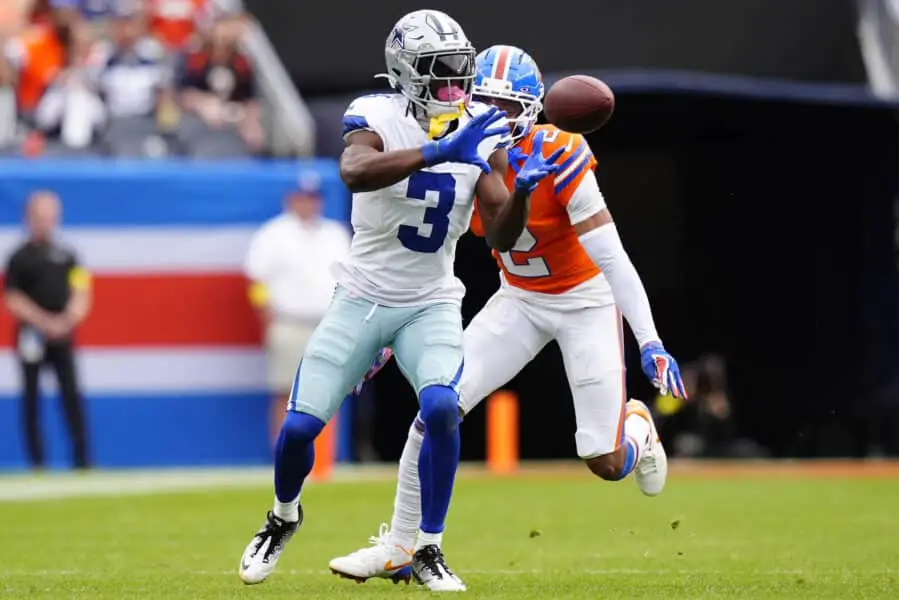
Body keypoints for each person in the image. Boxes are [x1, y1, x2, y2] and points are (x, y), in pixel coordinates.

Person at [328, 45, 688, 587]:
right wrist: (387, 332)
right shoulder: (458, 146)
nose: (496, 113)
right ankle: (402, 546)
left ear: (535, 109)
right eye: (486, 100)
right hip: (517, 298)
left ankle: (638, 429)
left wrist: (650, 342)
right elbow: (432, 253)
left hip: (584, 302)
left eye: (508, 104)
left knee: (603, 459)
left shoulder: (562, 153)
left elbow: (613, 258)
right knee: (437, 407)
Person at [236, 13, 563, 592]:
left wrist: (522, 195)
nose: (456, 88)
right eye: (442, 74)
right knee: (296, 432)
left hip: (430, 300)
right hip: (362, 297)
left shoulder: (479, 131)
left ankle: (427, 548)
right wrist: (437, 152)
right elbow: (354, 170)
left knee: (441, 408)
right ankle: (283, 517)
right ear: (407, 73)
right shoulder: (378, 115)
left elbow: (501, 234)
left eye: (461, 72)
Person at [244, 172, 351, 445]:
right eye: (304, 198)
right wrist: (265, 320)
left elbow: (351, 279)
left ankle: (324, 460)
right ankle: (283, 457)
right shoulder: (274, 234)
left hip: (329, 323)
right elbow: (257, 280)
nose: (309, 204)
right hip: (289, 321)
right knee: (286, 390)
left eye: (314, 198)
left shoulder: (334, 233)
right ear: (291, 199)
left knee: (328, 392)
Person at [3, 190, 92, 469]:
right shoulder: (19, 258)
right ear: (29, 218)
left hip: (63, 334)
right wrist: (43, 321)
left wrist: (67, 319)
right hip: (32, 335)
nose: (46, 221)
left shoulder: (68, 255)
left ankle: (82, 461)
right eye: (40, 215)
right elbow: (12, 298)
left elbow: (82, 289)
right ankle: (38, 463)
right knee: (32, 400)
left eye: (50, 215)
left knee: (71, 396)